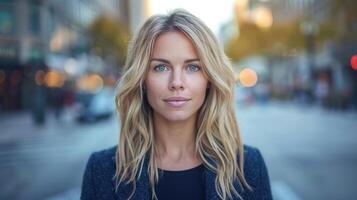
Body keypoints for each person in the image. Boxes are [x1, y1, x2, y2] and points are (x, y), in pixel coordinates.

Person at [81, 9, 272, 200]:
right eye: (161, 67)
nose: (176, 82)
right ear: (142, 80)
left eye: (193, 67)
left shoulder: (248, 166)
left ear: (210, 80)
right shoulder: (101, 171)